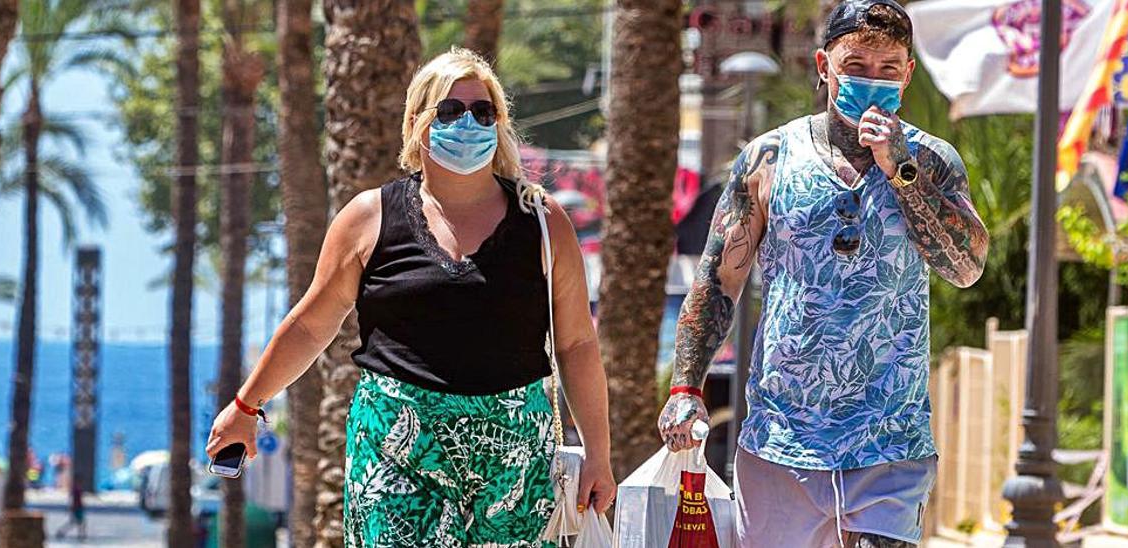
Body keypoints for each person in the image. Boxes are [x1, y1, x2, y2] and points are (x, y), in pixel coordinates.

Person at [206, 47, 616, 547]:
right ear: (419, 124)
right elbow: (312, 325)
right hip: (396, 447)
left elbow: (576, 345)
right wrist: (247, 406)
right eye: (450, 111)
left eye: (483, 112)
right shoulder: (368, 218)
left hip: (515, 457)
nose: (468, 123)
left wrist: (599, 454)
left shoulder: (544, 223)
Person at [657, 1, 989, 547]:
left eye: (888, 69)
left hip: (890, 441)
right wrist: (685, 385)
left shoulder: (932, 161)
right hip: (782, 441)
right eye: (856, 66)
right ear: (823, 66)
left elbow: (966, 267)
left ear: (907, 74)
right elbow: (718, 281)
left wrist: (900, 170)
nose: (872, 81)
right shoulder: (769, 158)